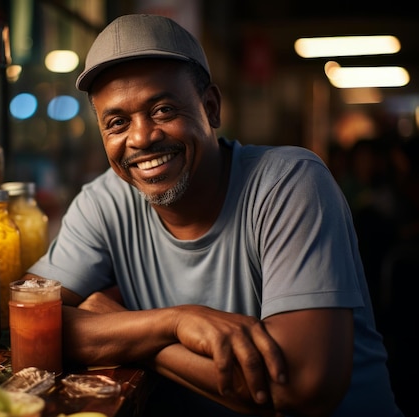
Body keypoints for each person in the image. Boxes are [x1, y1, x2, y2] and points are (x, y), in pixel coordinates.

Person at [25, 13, 404, 417]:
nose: (140, 138)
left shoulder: (290, 183)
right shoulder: (104, 200)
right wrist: (173, 323)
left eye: (163, 110)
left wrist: (129, 332)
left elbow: (300, 388)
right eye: (117, 122)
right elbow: (30, 322)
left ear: (210, 108)